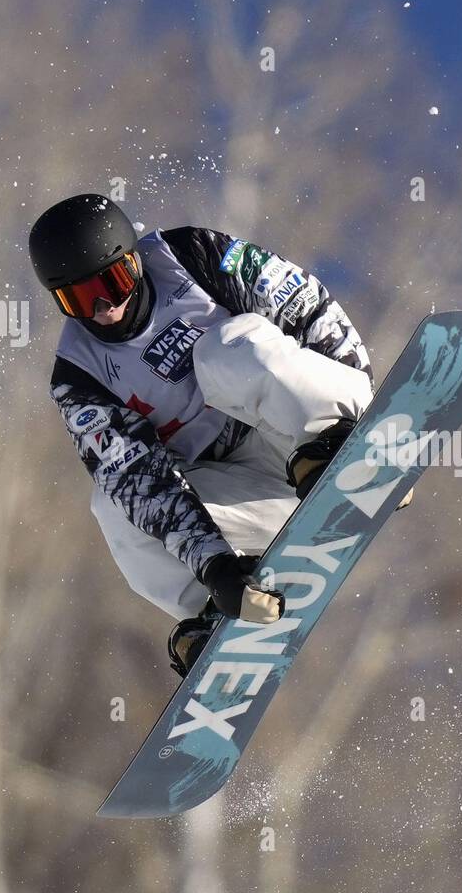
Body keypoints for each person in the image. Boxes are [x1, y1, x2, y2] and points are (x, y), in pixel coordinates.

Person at [27, 194, 381, 676]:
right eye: (80, 300)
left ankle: (338, 449)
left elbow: (307, 306)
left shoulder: (192, 255)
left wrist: (364, 406)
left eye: (113, 282)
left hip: (305, 429)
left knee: (225, 349)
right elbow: (138, 482)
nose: (105, 308)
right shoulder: (79, 377)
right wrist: (213, 566)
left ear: (133, 260)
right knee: (111, 504)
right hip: (250, 495)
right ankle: (225, 608)